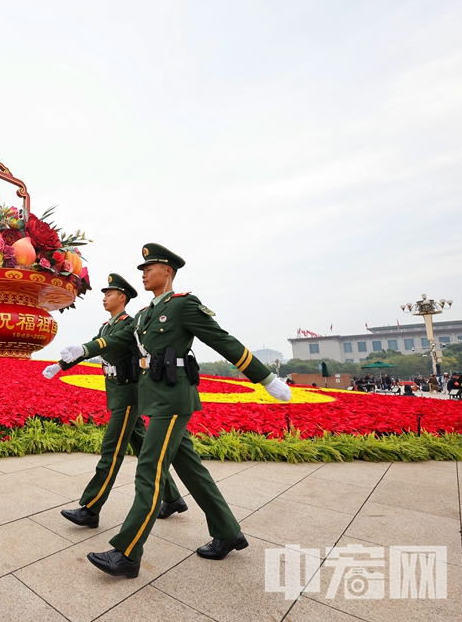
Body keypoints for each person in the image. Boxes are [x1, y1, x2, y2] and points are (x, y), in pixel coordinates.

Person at [57, 243, 291, 578]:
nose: (143, 273)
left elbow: (222, 340)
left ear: (167, 271)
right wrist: (82, 350)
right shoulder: (144, 315)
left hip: (173, 399)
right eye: (142, 268)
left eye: (149, 267)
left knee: (149, 471)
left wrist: (264, 377)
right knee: (191, 469)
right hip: (155, 396)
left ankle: (127, 553)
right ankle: (227, 531)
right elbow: (120, 338)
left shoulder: (183, 305)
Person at [42, 273, 185, 529]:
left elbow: (106, 344)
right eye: (104, 294)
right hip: (117, 392)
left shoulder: (130, 325)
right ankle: (172, 497)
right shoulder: (107, 325)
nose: (105, 298)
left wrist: (83, 350)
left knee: (111, 450)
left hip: (129, 395)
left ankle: (90, 508)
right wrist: (61, 364)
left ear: (122, 297)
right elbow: (96, 347)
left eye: (109, 294)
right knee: (141, 447)